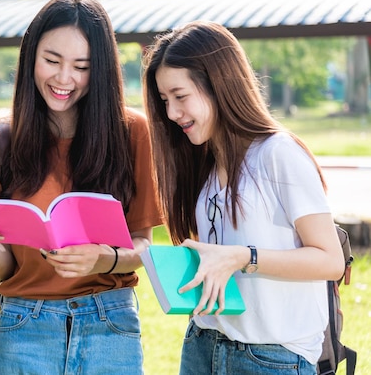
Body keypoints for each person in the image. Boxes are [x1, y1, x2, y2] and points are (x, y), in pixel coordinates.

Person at [0, 0, 162, 374]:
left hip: (110, 322)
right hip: (24, 326)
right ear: (31, 55)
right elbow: (5, 268)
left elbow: (144, 244)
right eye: (51, 61)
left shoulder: (133, 133)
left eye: (81, 66)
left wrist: (105, 258)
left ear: (99, 70)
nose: (64, 79)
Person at [142, 20, 345, 374]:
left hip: (272, 358)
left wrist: (243, 257)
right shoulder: (203, 162)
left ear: (219, 85)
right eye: (164, 101)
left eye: (180, 97)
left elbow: (330, 260)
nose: (172, 113)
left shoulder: (278, 153)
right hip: (203, 344)